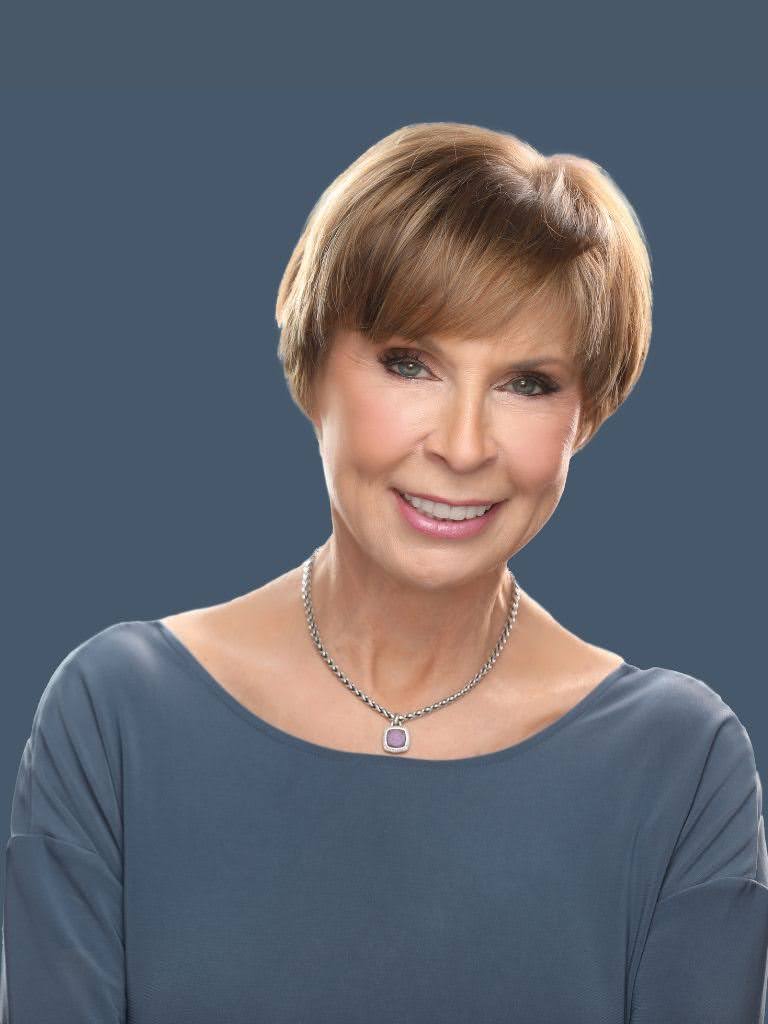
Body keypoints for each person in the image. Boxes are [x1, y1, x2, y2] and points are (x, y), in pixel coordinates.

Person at [2, 121, 766, 1023]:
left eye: (527, 383)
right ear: (309, 362)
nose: (463, 446)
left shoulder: (679, 765)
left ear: (586, 417)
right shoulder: (117, 717)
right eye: (411, 364)